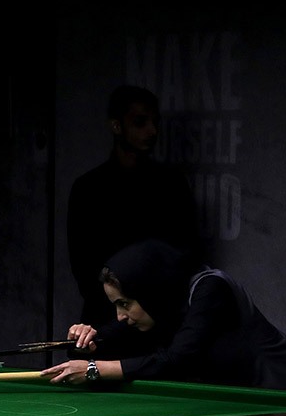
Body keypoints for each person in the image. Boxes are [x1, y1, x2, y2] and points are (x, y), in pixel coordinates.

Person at [43, 239, 286, 391]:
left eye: (124, 303)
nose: (120, 316)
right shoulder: (164, 305)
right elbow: (111, 336)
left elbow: (178, 359)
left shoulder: (211, 288)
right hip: (255, 397)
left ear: (149, 291)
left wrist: (95, 370)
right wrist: (86, 340)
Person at [66, 85, 199, 328]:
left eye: (155, 122)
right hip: (105, 316)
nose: (152, 131)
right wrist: (117, 306)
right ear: (117, 126)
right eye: (140, 122)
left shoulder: (170, 184)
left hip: (158, 319)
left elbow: (184, 252)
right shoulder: (89, 188)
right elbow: (83, 266)